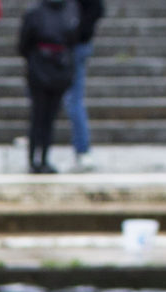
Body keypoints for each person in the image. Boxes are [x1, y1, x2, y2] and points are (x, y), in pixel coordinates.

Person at [16, 0, 82, 173]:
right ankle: (34, 159)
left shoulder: (69, 10)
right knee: (39, 115)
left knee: (49, 117)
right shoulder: (37, 12)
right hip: (40, 67)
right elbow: (24, 43)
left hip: (59, 68)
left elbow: (74, 38)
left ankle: (43, 158)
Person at [64, 0, 104, 169]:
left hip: (75, 44)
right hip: (58, 43)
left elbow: (97, 8)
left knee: (73, 99)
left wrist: (79, 32)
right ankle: (39, 150)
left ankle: (82, 149)